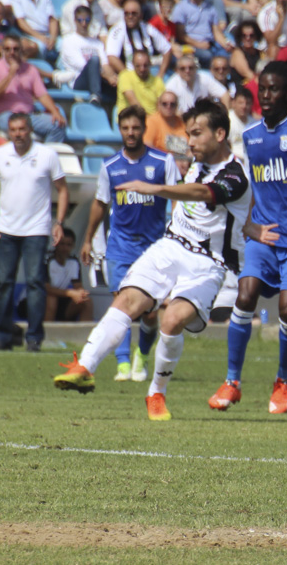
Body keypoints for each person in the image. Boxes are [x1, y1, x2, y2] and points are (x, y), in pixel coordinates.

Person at [53, 99, 251, 422]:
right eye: (188, 133)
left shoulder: (237, 174)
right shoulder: (198, 160)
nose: (190, 141)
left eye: (197, 133)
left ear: (220, 134)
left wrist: (155, 188)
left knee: (172, 320)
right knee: (128, 299)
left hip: (207, 262)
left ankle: (156, 392)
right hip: (171, 246)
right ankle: (85, 366)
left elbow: (204, 195)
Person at [206, 60, 287, 413]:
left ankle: (284, 379)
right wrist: (246, 229)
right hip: (264, 235)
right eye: (261, 88)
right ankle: (232, 381)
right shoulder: (250, 136)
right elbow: (249, 190)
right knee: (245, 296)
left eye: (274, 89)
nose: (265, 95)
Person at [79, 104, 178, 380]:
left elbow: (178, 199)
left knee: (148, 313)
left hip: (153, 247)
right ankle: (122, 364)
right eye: (125, 128)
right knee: (120, 305)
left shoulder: (162, 162)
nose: (131, 133)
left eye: (136, 127)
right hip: (121, 245)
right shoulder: (110, 166)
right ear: (120, 130)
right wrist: (88, 239)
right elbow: (100, 203)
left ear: (144, 129)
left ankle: (142, 356)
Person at [0, 113, 68, 351]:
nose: (18, 134)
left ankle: (34, 338)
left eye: (22, 129)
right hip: (6, 229)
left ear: (30, 130)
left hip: (37, 229)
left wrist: (58, 222)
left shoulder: (47, 154)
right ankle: (1, 337)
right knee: (4, 283)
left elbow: (62, 189)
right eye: (13, 130)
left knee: (35, 283)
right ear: (8, 132)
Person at [0, 35, 67, 142]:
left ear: (21, 51)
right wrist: (10, 75)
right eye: (7, 49)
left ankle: (44, 156)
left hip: (28, 115)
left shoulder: (30, 69)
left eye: (15, 49)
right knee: (16, 125)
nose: (12, 52)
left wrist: (54, 112)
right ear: (2, 50)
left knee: (58, 125)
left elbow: (42, 95)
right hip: (3, 115)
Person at [43, 230, 94, 322]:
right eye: (62, 244)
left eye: (68, 245)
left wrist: (81, 293)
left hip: (62, 301)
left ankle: (84, 334)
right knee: (51, 298)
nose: (65, 248)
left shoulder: (74, 262)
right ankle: (47, 334)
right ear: (56, 244)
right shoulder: (47, 260)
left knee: (86, 300)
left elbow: (78, 286)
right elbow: (46, 288)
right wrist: (71, 293)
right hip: (38, 302)